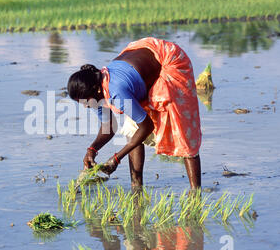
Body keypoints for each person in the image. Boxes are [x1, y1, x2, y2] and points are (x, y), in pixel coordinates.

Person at [67, 37, 202, 189]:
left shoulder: (116, 92)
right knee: (132, 130)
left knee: (181, 129)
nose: (85, 107)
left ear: (96, 90)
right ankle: (136, 186)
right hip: (142, 61)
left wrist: (116, 159)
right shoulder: (97, 89)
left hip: (169, 60)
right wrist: (92, 150)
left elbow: (146, 126)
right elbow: (109, 126)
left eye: (85, 102)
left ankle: (195, 191)